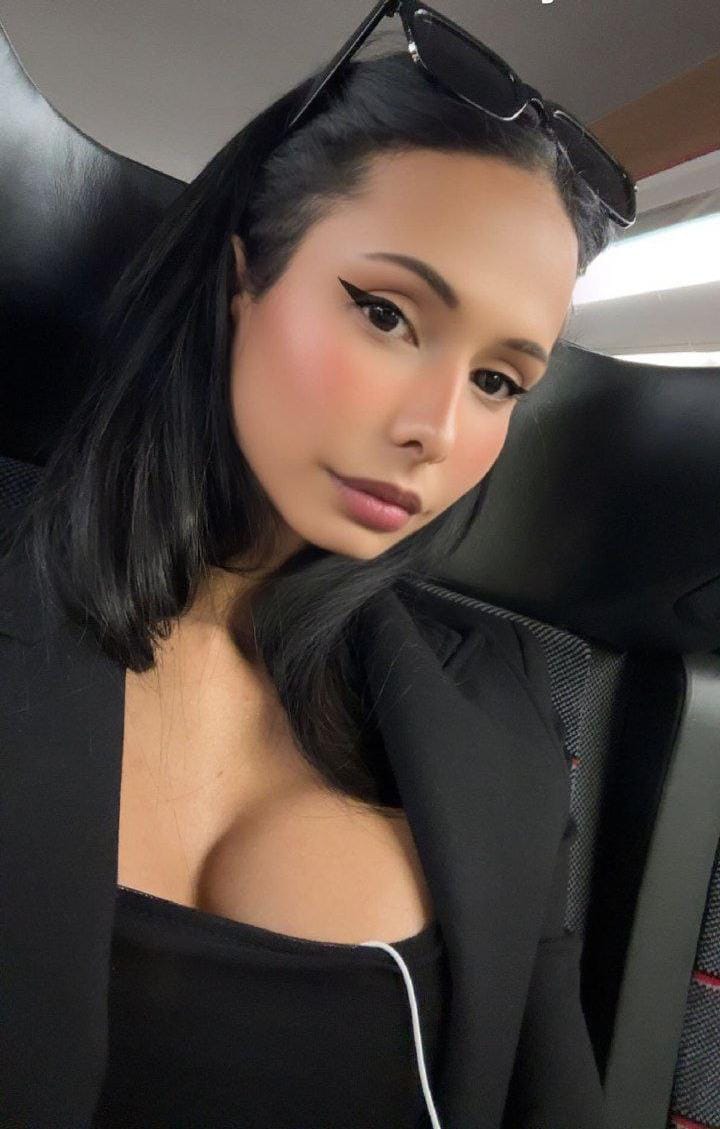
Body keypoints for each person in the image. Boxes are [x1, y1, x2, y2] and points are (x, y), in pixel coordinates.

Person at [0, 8, 635, 1126]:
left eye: (498, 381)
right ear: (245, 276)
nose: (436, 428)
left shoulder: (500, 720)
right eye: (387, 314)